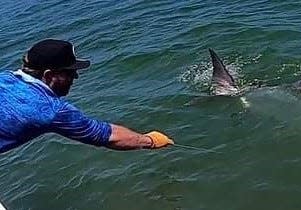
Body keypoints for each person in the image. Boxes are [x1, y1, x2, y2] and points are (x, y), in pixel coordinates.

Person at [0, 39, 175, 154]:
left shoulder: (4, 77)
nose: (75, 77)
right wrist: (150, 140)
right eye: (70, 72)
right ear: (49, 75)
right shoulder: (51, 110)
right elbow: (107, 136)